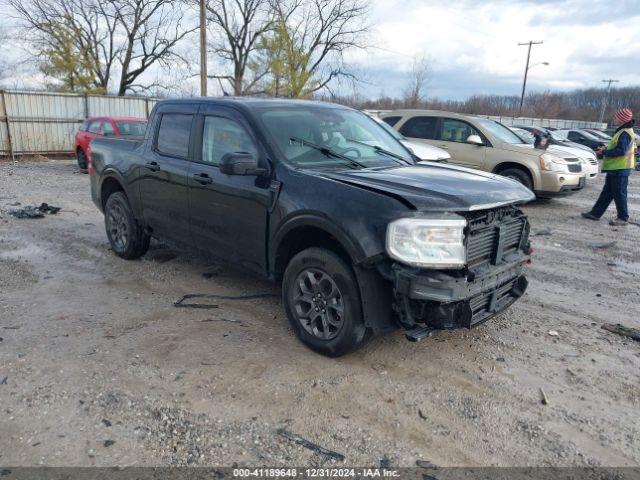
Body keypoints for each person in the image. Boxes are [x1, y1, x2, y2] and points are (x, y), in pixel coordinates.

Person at [581, 108, 635, 226]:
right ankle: (595, 214)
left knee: (619, 193)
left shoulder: (624, 133)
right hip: (616, 169)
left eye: (617, 117)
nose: (615, 119)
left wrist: (604, 152)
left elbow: (621, 151)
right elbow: (617, 148)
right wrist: (605, 149)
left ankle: (623, 218)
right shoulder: (622, 131)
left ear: (622, 119)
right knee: (607, 193)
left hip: (620, 169)